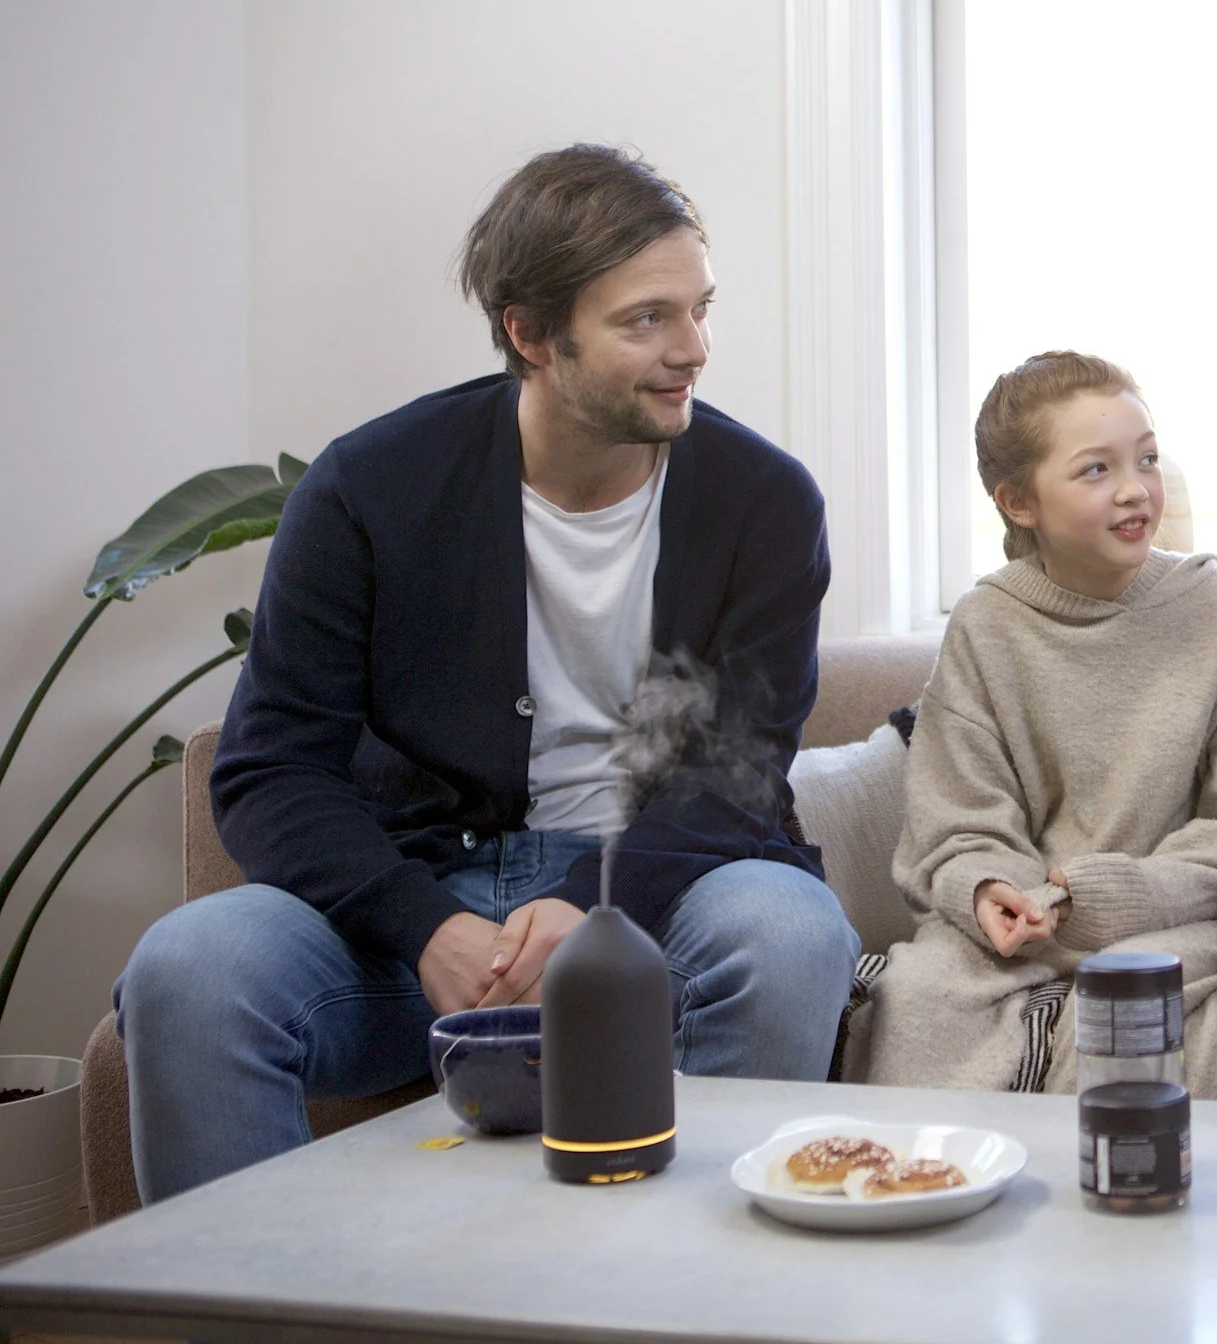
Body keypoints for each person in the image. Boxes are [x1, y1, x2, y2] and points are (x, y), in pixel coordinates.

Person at [115, 144, 860, 1201]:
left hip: (664, 891)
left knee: (787, 932)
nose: (692, 348)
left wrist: (594, 904)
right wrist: (427, 927)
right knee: (190, 967)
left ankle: (697, 1305)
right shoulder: (368, 486)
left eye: (699, 308)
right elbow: (271, 768)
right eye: (646, 318)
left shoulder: (763, 501)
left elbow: (733, 775)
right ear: (530, 332)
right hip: (414, 907)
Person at [856, 352, 1217, 1097]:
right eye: (1096, 470)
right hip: (1027, 924)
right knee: (920, 992)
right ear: (1019, 501)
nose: (1135, 488)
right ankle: (936, 1189)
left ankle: (1101, 1197)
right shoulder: (985, 625)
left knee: (1129, 999)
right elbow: (956, 820)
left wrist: (1113, 895)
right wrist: (987, 887)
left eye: (1147, 459)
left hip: (1187, 915)